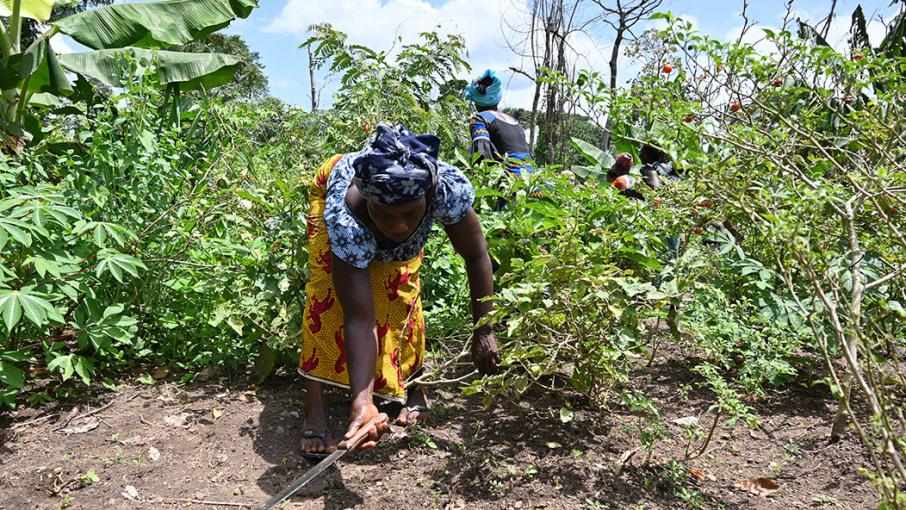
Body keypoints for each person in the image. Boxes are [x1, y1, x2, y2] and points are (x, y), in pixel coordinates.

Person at [299, 124, 501, 459]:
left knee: (401, 296)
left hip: (395, 211)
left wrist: (485, 330)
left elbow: (477, 256)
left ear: (428, 196)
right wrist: (361, 403)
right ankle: (315, 403)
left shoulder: (445, 191)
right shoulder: (346, 218)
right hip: (335, 201)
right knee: (327, 301)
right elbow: (359, 319)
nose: (399, 226)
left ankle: (414, 385)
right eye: (386, 215)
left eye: (410, 214)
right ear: (368, 203)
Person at [464, 69, 535, 177]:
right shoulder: (515, 122)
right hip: (532, 180)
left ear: (477, 102)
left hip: (509, 181)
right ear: (497, 98)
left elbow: (481, 153)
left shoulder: (479, 119)